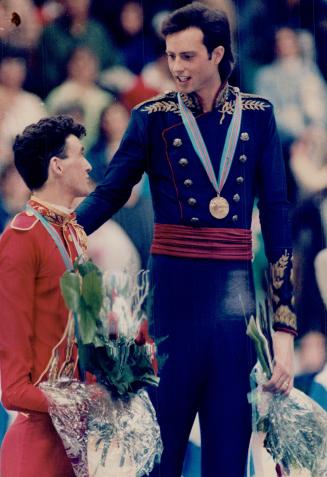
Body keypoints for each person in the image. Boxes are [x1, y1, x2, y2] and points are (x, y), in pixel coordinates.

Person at [76, 3, 297, 476]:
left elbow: (277, 219)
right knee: (159, 463)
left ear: (217, 53)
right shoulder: (151, 117)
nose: (176, 67)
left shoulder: (259, 116)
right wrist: (56, 230)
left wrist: (284, 331)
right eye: (171, 55)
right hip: (169, 317)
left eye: (188, 56)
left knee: (227, 466)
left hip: (234, 318)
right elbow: (111, 193)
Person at [0, 115, 93, 476]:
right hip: (36, 449)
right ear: (56, 166)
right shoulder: (21, 239)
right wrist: (86, 400)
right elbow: (13, 390)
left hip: (78, 442)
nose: (88, 164)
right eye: (79, 155)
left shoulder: (74, 234)